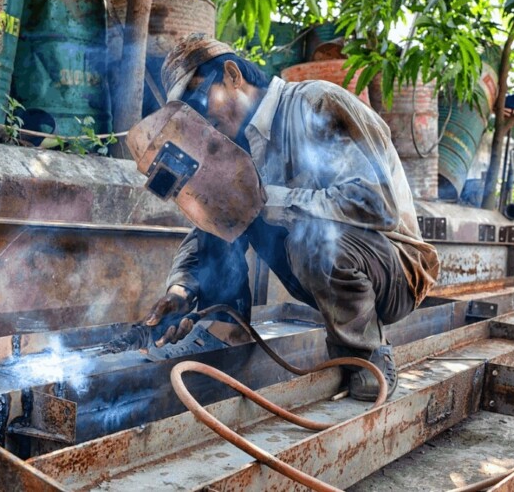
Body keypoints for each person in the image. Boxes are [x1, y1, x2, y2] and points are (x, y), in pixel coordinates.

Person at [145, 33, 439, 401]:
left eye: (200, 100)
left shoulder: (318, 103)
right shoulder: (237, 148)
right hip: (327, 266)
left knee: (307, 234)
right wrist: (183, 287)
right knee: (225, 201)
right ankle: (227, 333)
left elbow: (376, 204)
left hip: (393, 266)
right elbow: (211, 225)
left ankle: (366, 355)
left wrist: (269, 199)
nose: (201, 117)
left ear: (233, 75)